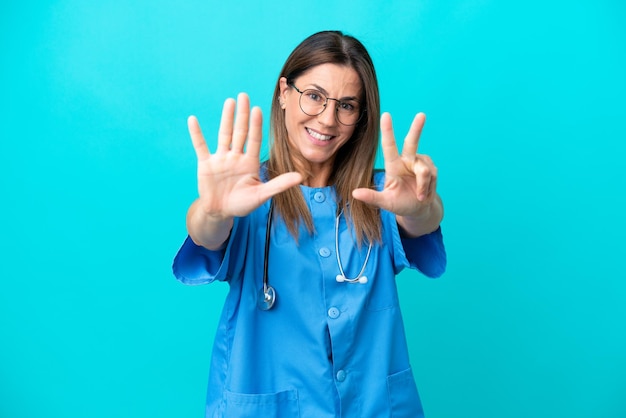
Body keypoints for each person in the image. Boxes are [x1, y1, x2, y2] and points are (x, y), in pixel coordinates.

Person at [173, 30, 446, 418]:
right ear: (284, 92)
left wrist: (421, 207)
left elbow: (423, 221)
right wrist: (214, 211)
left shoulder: (382, 195)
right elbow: (205, 233)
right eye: (314, 96)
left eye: (347, 105)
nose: (328, 119)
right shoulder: (247, 196)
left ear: (360, 118)